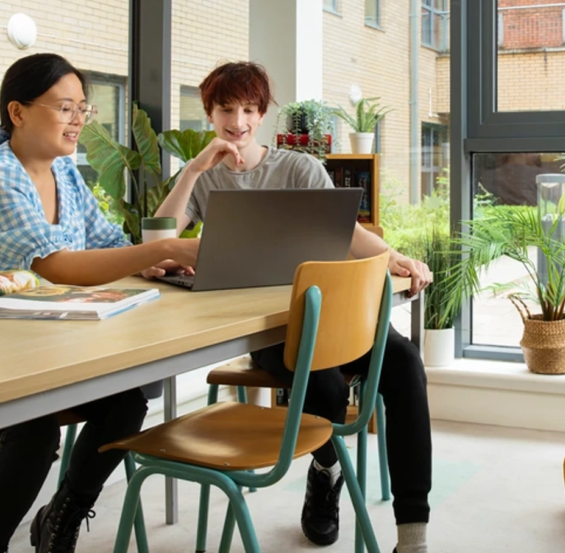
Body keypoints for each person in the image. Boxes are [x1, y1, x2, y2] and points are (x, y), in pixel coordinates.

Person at [155, 61, 434, 553]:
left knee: (406, 361)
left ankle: (412, 533)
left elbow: (346, 235)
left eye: (248, 109)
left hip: (326, 314)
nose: (237, 121)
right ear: (210, 113)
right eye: (225, 109)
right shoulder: (202, 178)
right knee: (322, 384)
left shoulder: (298, 167)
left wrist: (398, 258)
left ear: (261, 114)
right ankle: (326, 471)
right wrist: (196, 167)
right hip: (265, 329)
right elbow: (157, 238)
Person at [0, 53, 200, 553]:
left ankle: (62, 516)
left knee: (129, 392)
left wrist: (146, 264)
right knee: (34, 430)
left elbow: (106, 240)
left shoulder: (67, 175)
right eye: (65, 108)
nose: (78, 121)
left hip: (55, 342)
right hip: (12, 355)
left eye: (82, 109)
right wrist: (165, 247)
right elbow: (54, 264)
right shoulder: (3, 174)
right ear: (17, 112)